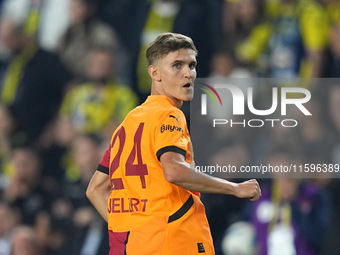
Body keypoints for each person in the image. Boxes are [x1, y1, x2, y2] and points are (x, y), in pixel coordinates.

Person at [86, 32, 261, 255]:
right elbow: (175, 171)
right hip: (173, 241)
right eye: (177, 65)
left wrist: (130, 229)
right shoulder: (169, 115)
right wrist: (235, 188)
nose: (188, 73)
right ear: (154, 73)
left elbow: (96, 189)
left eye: (192, 65)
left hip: (135, 244)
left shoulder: (126, 125)